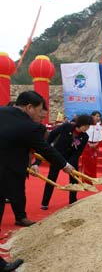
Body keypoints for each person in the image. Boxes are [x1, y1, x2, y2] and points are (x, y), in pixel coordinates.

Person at [0, 91, 74, 228]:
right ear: (29, 107)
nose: (40, 115)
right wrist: (64, 164)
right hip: (11, 166)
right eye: (39, 110)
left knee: (18, 193)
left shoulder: (2, 111)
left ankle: (21, 217)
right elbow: (45, 149)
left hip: (13, 163)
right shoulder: (29, 126)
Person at [39, 114, 93, 209]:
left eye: (89, 127)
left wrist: (69, 165)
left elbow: (77, 153)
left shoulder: (85, 137)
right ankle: (45, 202)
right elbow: (52, 134)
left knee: (74, 180)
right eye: (86, 126)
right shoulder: (67, 126)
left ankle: (72, 201)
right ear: (81, 123)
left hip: (71, 158)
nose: (87, 128)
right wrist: (47, 147)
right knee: (52, 178)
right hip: (57, 155)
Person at [81, 111, 102, 180]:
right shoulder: (87, 125)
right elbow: (83, 135)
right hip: (87, 145)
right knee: (86, 162)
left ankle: (92, 180)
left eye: (99, 116)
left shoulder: (99, 127)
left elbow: (100, 137)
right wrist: (89, 144)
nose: (98, 118)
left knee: (93, 163)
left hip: (95, 146)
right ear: (92, 116)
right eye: (96, 116)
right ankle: (84, 180)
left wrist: (96, 144)